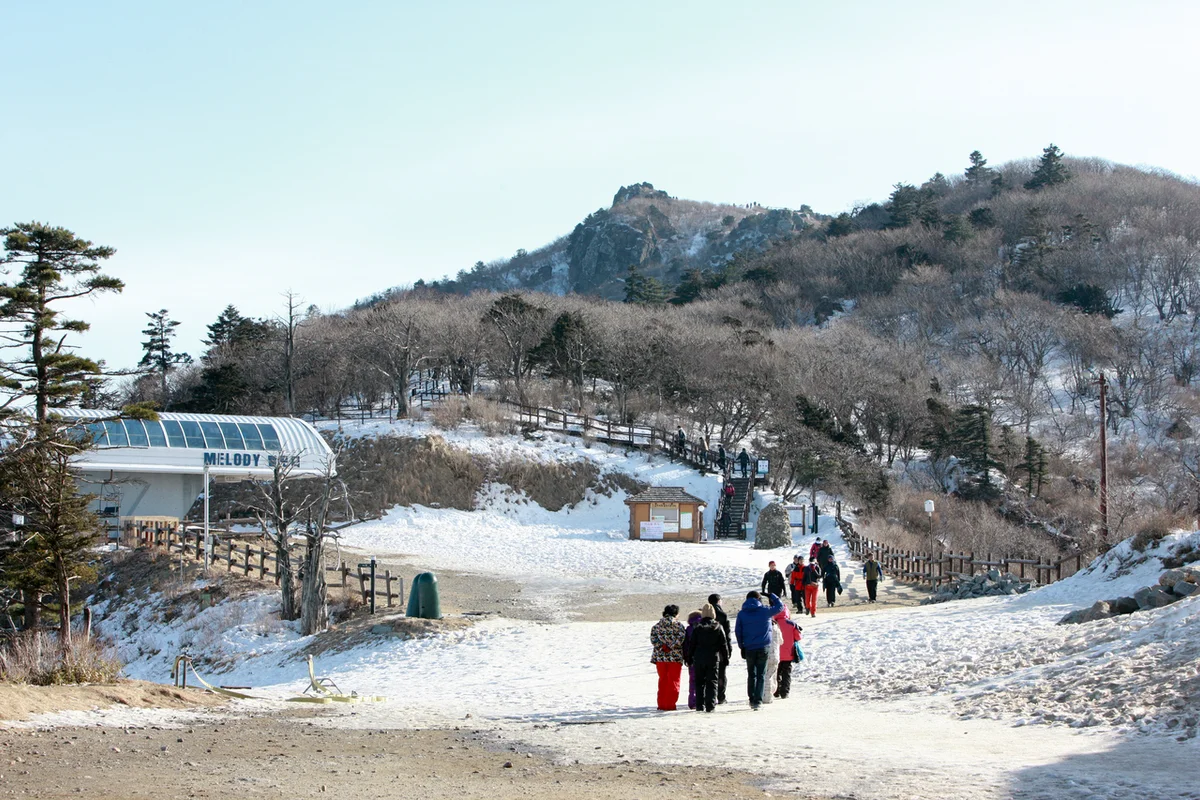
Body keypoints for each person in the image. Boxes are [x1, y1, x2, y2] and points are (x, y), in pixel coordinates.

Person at [733, 590, 784, 710]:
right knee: (761, 674)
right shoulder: (765, 611)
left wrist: (742, 646)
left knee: (752, 674)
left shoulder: (742, 614)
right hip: (763, 646)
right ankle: (758, 701)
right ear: (759, 599)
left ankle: (751, 699)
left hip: (749, 647)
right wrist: (771, 594)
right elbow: (780, 606)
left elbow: (738, 631)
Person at [689, 604, 727, 713]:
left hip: (699, 658)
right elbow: (723, 644)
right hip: (713, 658)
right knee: (712, 682)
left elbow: (692, 644)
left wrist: (689, 657)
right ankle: (710, 706)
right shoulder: (718, 627)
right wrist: (725, 657)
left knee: (699, 682)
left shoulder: (697, 627)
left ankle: (699, 705)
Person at [650, 605, 686, 710]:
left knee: (663, 680)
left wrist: (662, 647)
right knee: (673, 681)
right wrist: (671, 646)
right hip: (675, 657)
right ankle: (670, 704)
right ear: (676, 614)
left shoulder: (656, 626)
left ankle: (661, 704)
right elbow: (681, 640)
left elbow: (653, 640)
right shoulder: (679, 626)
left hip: (660, 658)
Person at [707, 593, 732, 704]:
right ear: (718, 601)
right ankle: (721, 696)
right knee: (721, 673)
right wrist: (728, 650)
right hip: (720, 649)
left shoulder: (704, 615)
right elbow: (727, 635)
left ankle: (709, 696)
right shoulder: (723, 615)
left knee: (709, 673)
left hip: (707, 648)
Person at [773, 606, 802, 699]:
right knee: (787, 673)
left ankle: (776, 690)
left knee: (776, 672)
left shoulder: (773, 624)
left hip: (776, 653)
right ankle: (785, 692)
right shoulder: (792, 624)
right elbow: (798, 638)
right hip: (788, 653)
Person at [682, 610, 703, 710]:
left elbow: (685, 646)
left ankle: (692, 702)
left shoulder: (688, 629)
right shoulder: (704, 627)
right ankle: (705, 699)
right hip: (703, 657)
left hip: (692, 658)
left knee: (693, 681)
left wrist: (686, 658)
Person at [762, 618, 782, 704]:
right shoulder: (777, 629)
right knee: (772, 676)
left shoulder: (764, 628)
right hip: (775, 655)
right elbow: (781, 641)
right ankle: (770, 694)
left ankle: (766, 696)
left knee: (766, 676)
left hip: (766, 654)